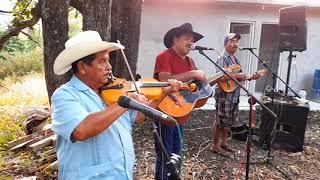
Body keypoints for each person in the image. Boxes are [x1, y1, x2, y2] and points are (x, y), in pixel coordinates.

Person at [51, 30, 183, 180]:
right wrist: (124, 102)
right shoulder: (65, 95)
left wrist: (162, 94)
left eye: (108, 60)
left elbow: (138, 117)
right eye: (102, 61)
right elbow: (81, 130)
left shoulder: (111, 92)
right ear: (82, 67)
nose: (109, 67)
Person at [153, 23, 206, 180]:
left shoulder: (190, 61)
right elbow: (164, 79)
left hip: (181, 111)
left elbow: (195, 86)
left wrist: (206, 84)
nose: (191, 42)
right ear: (174, 40)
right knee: (165, 155)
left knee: (177, 152)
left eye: (192, 39)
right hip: (164, 111)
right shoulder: (164, 56)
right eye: (186, 38)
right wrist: (193, 73)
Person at [211, 33, 262, 156]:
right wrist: (240, 75)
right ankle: (215, 145)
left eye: (237, 41)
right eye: (232, 41)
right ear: (225, 44)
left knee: (228, 121)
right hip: (224, 94)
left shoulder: (236, 60)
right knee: (220, 121)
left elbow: (237, 79)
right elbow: (220, 78)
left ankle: (224, 143)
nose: (235, 44)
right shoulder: (222, 59)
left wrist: (251, 77)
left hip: (234, 94)